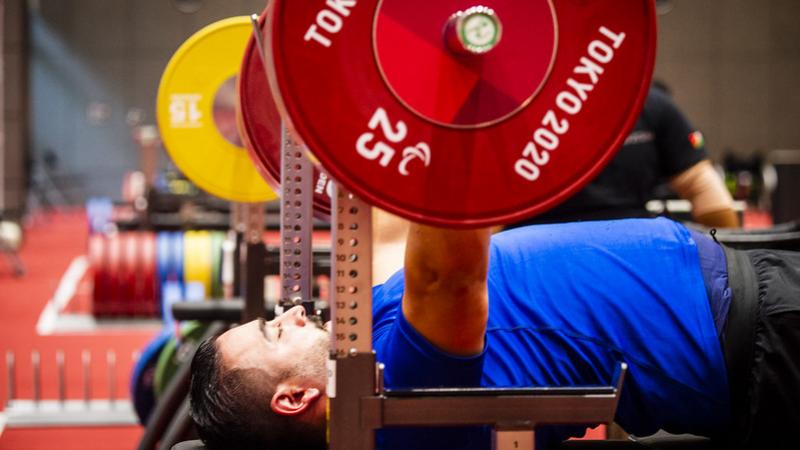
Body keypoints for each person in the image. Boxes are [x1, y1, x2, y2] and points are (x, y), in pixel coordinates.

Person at [189, 217, 800, 450]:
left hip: (747, 283)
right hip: (764, 333)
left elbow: (399, 225)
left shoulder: (368, 343)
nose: (293, 312)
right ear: (294, 398)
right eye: (274, 331)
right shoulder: (389, 406)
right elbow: (449, 270)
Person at [512, 86, 740, 228]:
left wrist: (731, 262)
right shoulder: (515, 112)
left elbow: (699, 182)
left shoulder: (651, 105)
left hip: (630, 243)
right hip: (538, 245)